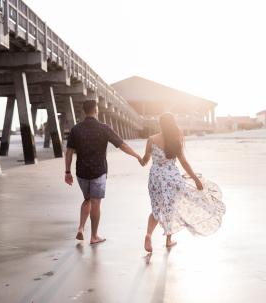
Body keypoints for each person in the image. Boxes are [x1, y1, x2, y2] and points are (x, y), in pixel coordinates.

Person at [139, 112, 225, 252]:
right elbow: (184, 163)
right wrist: (196, 180)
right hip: (172, 178)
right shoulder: (175, 141)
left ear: (160, 124)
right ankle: (168, 240)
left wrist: (141, 160)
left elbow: (146, 159)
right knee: (170, 208)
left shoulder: (151, 139)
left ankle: (148, 235)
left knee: (156, 207)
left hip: (155, 178)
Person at [65, 100, 142, 244]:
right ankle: (94, 236)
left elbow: (69, 152)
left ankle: (81, 227)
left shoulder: (76, 129)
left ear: (84, 111)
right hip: (98, 171)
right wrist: (137, 156)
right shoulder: (104, 128)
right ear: (96, 110)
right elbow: (122, 145)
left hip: (81, 171)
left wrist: (67, 171)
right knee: (95, 203)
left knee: (87, 200)